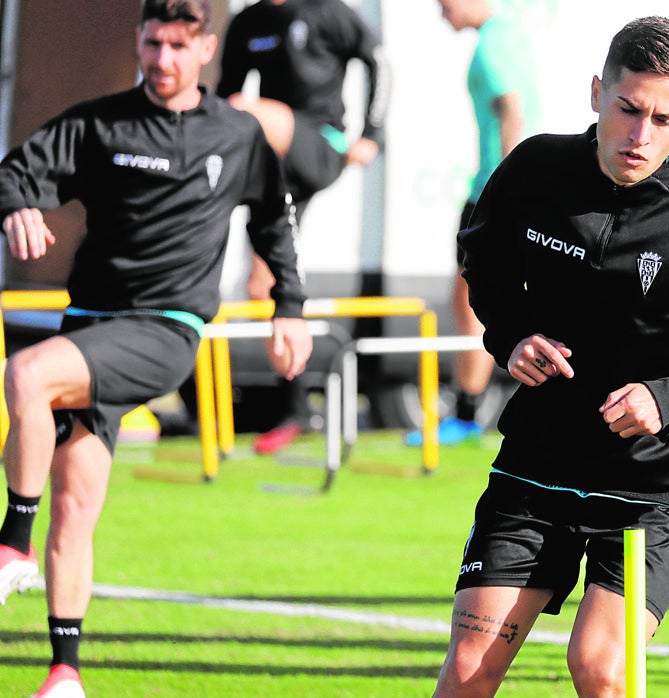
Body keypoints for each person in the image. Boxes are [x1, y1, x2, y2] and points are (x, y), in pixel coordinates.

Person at [431, 16, 669, 696]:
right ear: (597, 92)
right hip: (537, 465)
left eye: (665, 119)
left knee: (601, 671)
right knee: (468, 668)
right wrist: (512, 335)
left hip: (653, 485)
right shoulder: (536, 170)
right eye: (628, 109)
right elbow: (481, 259)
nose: (641, 136)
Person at [0, 2, 313, 696]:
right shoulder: (98, 123)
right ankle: (64, 671)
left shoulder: (238, 135)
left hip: (166, 329)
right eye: (152, 43)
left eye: (178, 45)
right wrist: (16, 205)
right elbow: (14, 171)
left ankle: (10, 543)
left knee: (24, 373)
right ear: (138, 41)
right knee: (76, 503)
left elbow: (274, 223)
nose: (162, 59)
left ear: (204, 49)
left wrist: (288, 309)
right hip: (88, 328)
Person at [216, 0, 389, 455]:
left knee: (244, 111)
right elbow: (222, 96)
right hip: (276, 173)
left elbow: (379, 61)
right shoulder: (247, 23)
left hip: (320, 143)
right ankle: (295, 407)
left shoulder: (327, 12)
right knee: (262, 284)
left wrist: (373, 132)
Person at [405, 0, 539, 448]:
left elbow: (513, 112)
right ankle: (468, 412)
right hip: (496, 193)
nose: (441, 12)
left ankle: (465, 415)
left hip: (491, 197)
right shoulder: (508, 35)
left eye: (444, 2)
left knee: (471, 302)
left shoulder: (492, 46)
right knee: (477, 301)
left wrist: (507, 192)